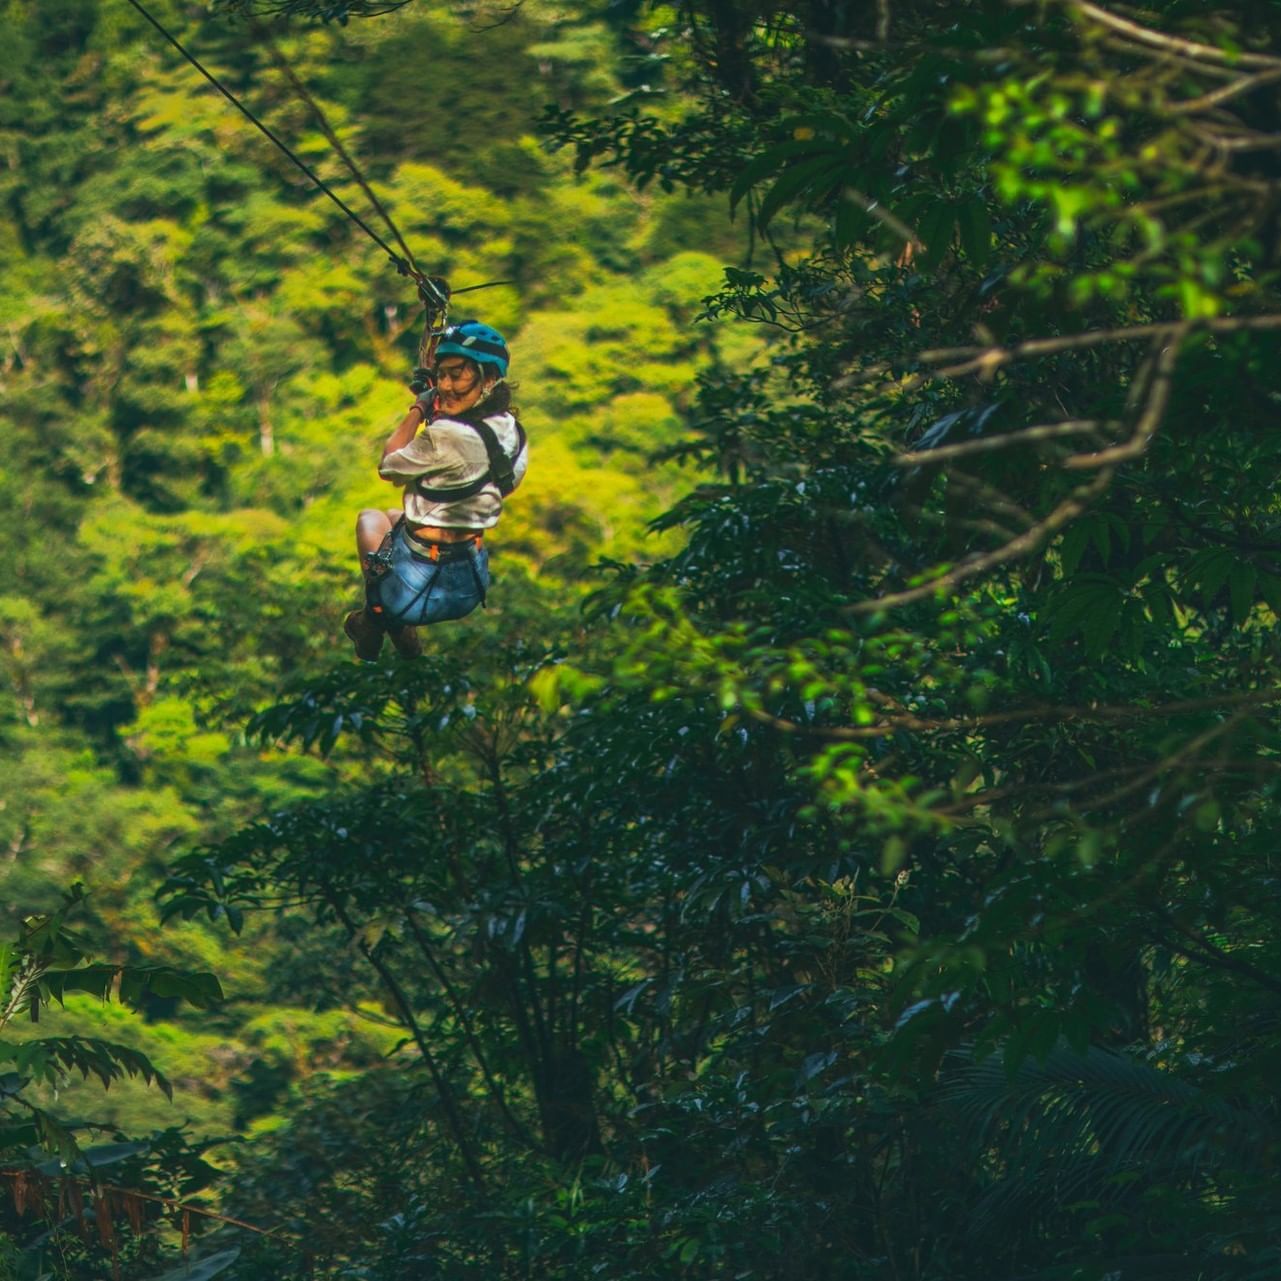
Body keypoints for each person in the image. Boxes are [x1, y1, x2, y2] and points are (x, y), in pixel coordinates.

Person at [344, 320, 527, 661]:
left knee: (371, 519)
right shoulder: (513, 431)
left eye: (456, 375)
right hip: (471, 581)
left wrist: (421, 407)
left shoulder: (444, 435)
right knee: (395, 516)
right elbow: (506, 487)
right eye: (441, 375)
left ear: (488, 379)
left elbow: (388, 464)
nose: (445, 385)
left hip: (415, 590)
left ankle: (379, 620)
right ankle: (392, 628)